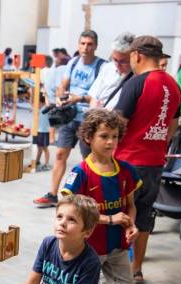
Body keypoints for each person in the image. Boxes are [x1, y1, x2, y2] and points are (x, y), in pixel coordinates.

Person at [60, 109, 165, 284]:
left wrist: (131, 225)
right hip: (88, 250)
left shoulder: (127, 171)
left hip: (118, 247)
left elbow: (130, 207)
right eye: (103, 136)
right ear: (88, 138)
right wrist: (107, 219)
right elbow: (67, 208)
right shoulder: (80, 172)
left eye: (115, 136)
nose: (110, 142)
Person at [113, 35, 181, 284]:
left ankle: (114, 269)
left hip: (128, 161)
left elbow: (118, 123)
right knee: (143, 216)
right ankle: (136, 270)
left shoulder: (136, 83)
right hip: (154, 161)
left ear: (137, 55)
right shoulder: (174, 86)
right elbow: (174, 123)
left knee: (117, 214)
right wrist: (158, 141)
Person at [33, 30, 106, 208]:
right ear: (78, 45)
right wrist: (59, 97)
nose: (85, 47)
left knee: (88, 159)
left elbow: (102, 96)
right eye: (82, 43)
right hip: (69, 115)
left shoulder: (103, 67)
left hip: (89, 118)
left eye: (89, 44)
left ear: (96, 46)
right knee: (60, 154)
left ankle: (87, 198)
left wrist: (79, 98)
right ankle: (52, 194)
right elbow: (62, 86)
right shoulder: (73, 62)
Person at [87, 32, 135, 110]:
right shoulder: (107, 68)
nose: (117, 65)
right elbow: (93, 97)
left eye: (123, 61)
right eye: (115, 60)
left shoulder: (136, 77)